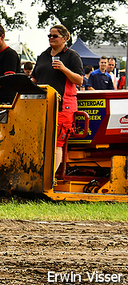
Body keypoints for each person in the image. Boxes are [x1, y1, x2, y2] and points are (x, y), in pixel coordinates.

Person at [31, 25, 84, 174]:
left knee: (56, 142)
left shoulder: (72, 56)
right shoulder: (43, 55)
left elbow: (79, 80)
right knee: (41, 140)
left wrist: (63, 69)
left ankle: (49, 177)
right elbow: (34, 78)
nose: (51, 38)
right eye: (49, 35)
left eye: (55, 36)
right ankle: (38, 174)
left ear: (65, 38)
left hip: (63, 105)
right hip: (42, 103)